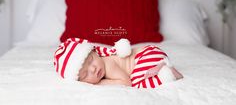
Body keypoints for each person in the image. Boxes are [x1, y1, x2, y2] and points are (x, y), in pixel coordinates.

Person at [54, 38, 183, 88]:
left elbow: (126, 82)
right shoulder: (102, 65)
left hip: (147, 56)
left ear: (96, 52)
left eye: (91, 60)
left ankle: (166, 72)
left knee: (138, 85)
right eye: (85, 74)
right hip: (153, 54)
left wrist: (102, 82)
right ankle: (161, 68)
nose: (92, 69)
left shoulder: (108, 64)